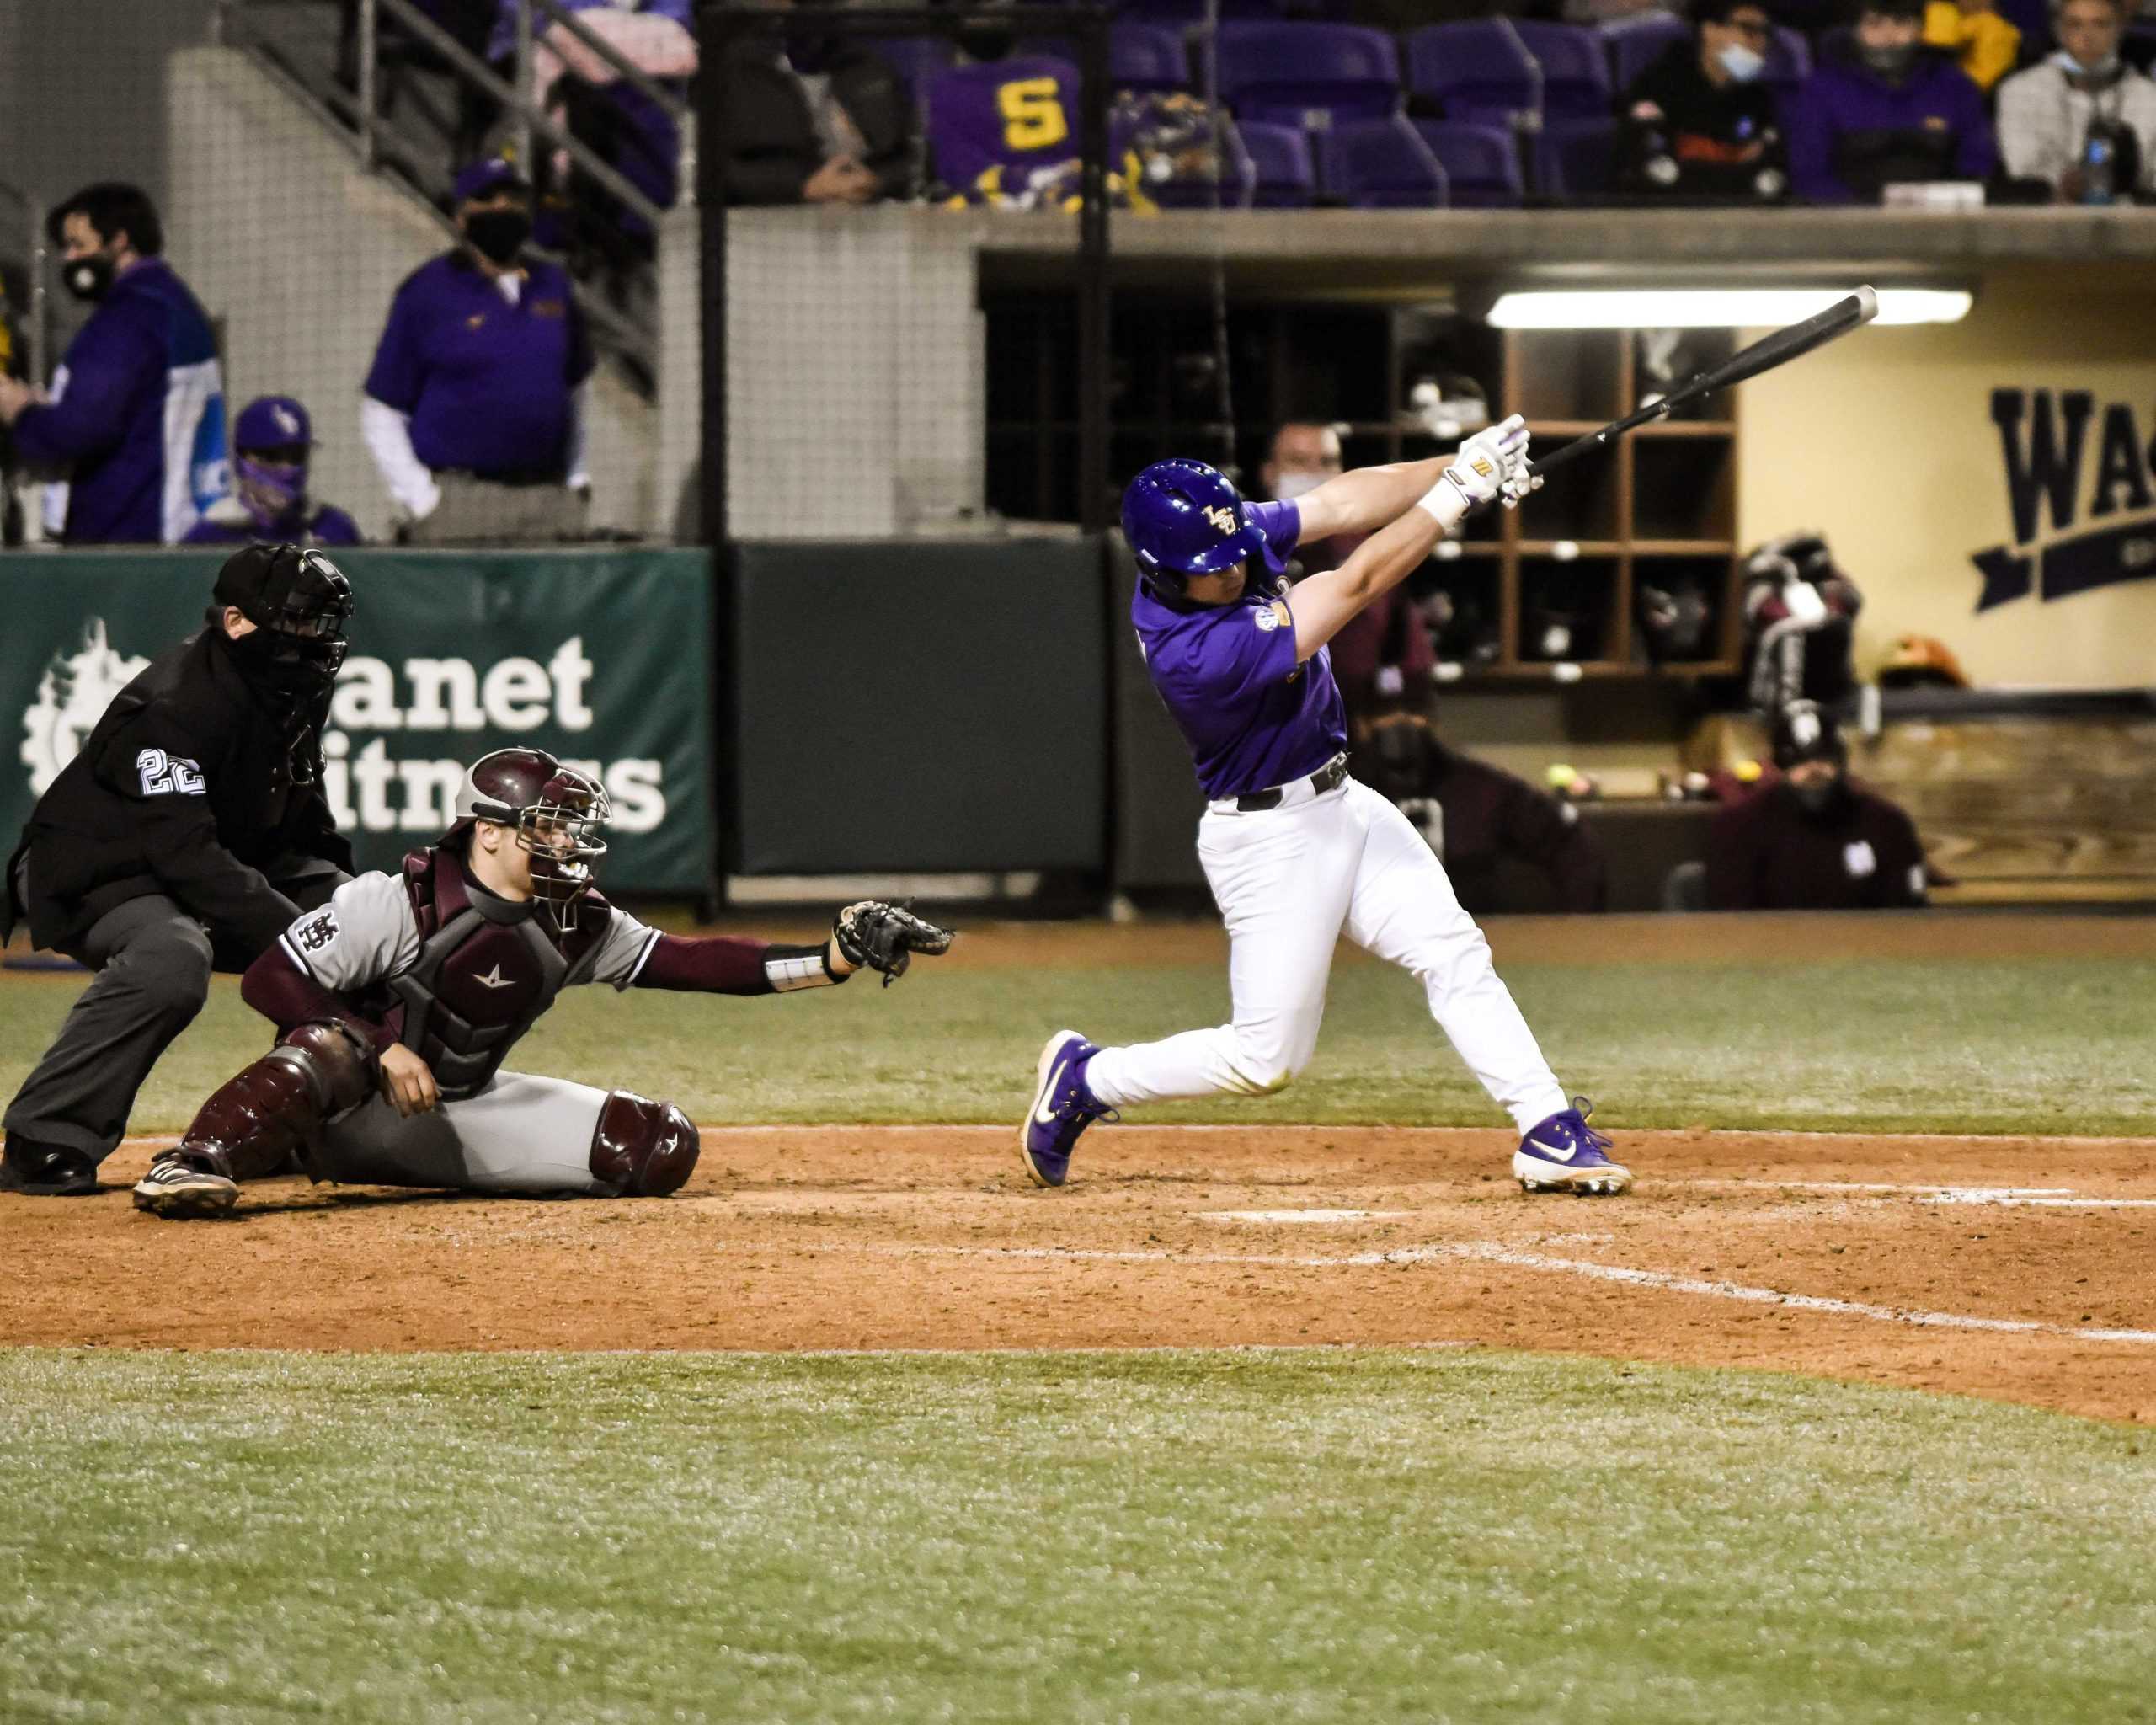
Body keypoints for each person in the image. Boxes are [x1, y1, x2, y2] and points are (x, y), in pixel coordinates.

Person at [1019, 421, 1633, 1197]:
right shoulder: (1194, 653)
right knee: (1265, 1061)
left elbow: (1344, 500)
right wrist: (1453, 499)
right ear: (1163, 573)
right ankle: (1091, 1076)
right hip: (1269, 840)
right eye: (1212, 569)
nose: (1235, 569)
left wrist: (1465, 463)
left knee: (1453, 950)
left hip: (1344, 801)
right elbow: (1354, 584)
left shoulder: (1222, 537)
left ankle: (1546, 1125)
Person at [128, 749, 954, 1217]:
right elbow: (271, 976)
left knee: (657, 1146)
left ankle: (291, 1144)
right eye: (547, 825)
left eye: (568, 824)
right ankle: (198, 1156)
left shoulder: (576, 919)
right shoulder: (401, 899)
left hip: (455, 1104)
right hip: (353, 1096)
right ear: (488, 832)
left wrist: (832, 956)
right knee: (325, 1043)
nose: (566, 841)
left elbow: (693, 961)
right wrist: (381, 1049)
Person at [0, 546, 355, 1197]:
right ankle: (44, 1136)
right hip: (98, 864)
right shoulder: (176, 702)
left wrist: (352, 915)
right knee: (172, 958)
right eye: (302, 624)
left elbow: (304, 814)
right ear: (239, 623)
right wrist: (305, 936)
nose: (316, 642)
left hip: (212, 854)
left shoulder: (291, 688)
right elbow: (185, 859)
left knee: (363, 919)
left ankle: (291, 1122)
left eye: (324, 626)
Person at [361, 159, 595, 546]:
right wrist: (424, 501)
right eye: (486, 198)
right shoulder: (426, 292)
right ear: (460, 217)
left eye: (513, 198)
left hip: (547, 501)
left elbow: (576, 391)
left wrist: (577, 479)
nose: (502, 208)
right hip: (462, 505)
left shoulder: (554, 285)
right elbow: (381, 409)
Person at [0, 184, 228, 545]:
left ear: (119, 241)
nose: (68, 260)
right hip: (178, 529)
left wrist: (21, 411)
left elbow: (82, 428)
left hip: (127, 539)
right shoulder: (178, 305)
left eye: (79, 245)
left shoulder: (129, 318)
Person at [1265, 420, 1438, 725]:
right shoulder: (1249, 551)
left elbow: (1406, 648)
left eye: (1328, 462)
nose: (1314, 473)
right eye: (1299, 461)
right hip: (1271, 723)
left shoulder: (1368, 545)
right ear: (1268, 473)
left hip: (1358, 720)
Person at [1354, 713, 1609, 915]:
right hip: (1366, 942)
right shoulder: (1339, 789)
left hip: (1473, 937)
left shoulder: (1480, 786)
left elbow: (1570, 841)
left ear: (1429, 718)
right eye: (1383, 712)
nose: (1398, 722)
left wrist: (1578, 926)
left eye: (1410, 710)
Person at [1703, 702, 1929, 911]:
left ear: (1841, 760)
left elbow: (1908, 913)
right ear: (1779, 765)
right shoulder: (1739, 826)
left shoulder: (1886, 825)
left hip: (1865, 948)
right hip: (1770, 950)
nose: (1813, 769)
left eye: (1824, 757)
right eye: (1798, 760)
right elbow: (1731, 920)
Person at [1789, 0, 1999, 202]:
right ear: (1854, 29)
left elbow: (1977, 164)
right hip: (1847, 224)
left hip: (1941, 222)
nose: (1888, 37)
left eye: (1901, 23)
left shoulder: (1956, 86)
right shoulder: (1822, 89)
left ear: (1921, 27)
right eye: (1874, 24)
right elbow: (1809, 174)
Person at [716, 3, 917, 206]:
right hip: (771, 221)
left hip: (874, 217)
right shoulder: (737, 70)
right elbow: (713, 171)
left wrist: (876, 181)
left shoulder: (870, 68)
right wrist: (803, 186)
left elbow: (914, 160)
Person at [1618, 0, 1790, 200]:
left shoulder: (1758, 98)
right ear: (1709, 30)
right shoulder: (1659, 86)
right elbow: (1651, 172)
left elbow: (1771, 176)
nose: (1759, 41)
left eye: (1765, 32)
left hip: (1739, 218)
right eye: (1748, 29)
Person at [1997, 0, 2156, 199]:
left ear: (2120, 29)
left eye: (2100, 24)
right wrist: (2069, 182)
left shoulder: (2150, 97)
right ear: (2058, 31)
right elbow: (2023, 169)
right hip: (2048, 215)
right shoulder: (2020, 91)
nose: (2087, 36)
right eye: (2075, 24)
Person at [926, 15, 1086, 206]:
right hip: (1068, 198)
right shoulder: (1064, 73)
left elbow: (957, 170)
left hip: (994, 205)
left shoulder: (947, 87)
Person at [183, 396, 362, 549]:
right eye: (272, 456)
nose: (287, 468)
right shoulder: (209, 538)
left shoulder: (334, 528)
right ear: (241, 459)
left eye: (296, 455)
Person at [1923, 0, 2023, 93]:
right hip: (1993, 86)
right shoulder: (2008, 29)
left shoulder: (1985, 22)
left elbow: (1944, 41)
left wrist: (1940, 10)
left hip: (1975, 86)